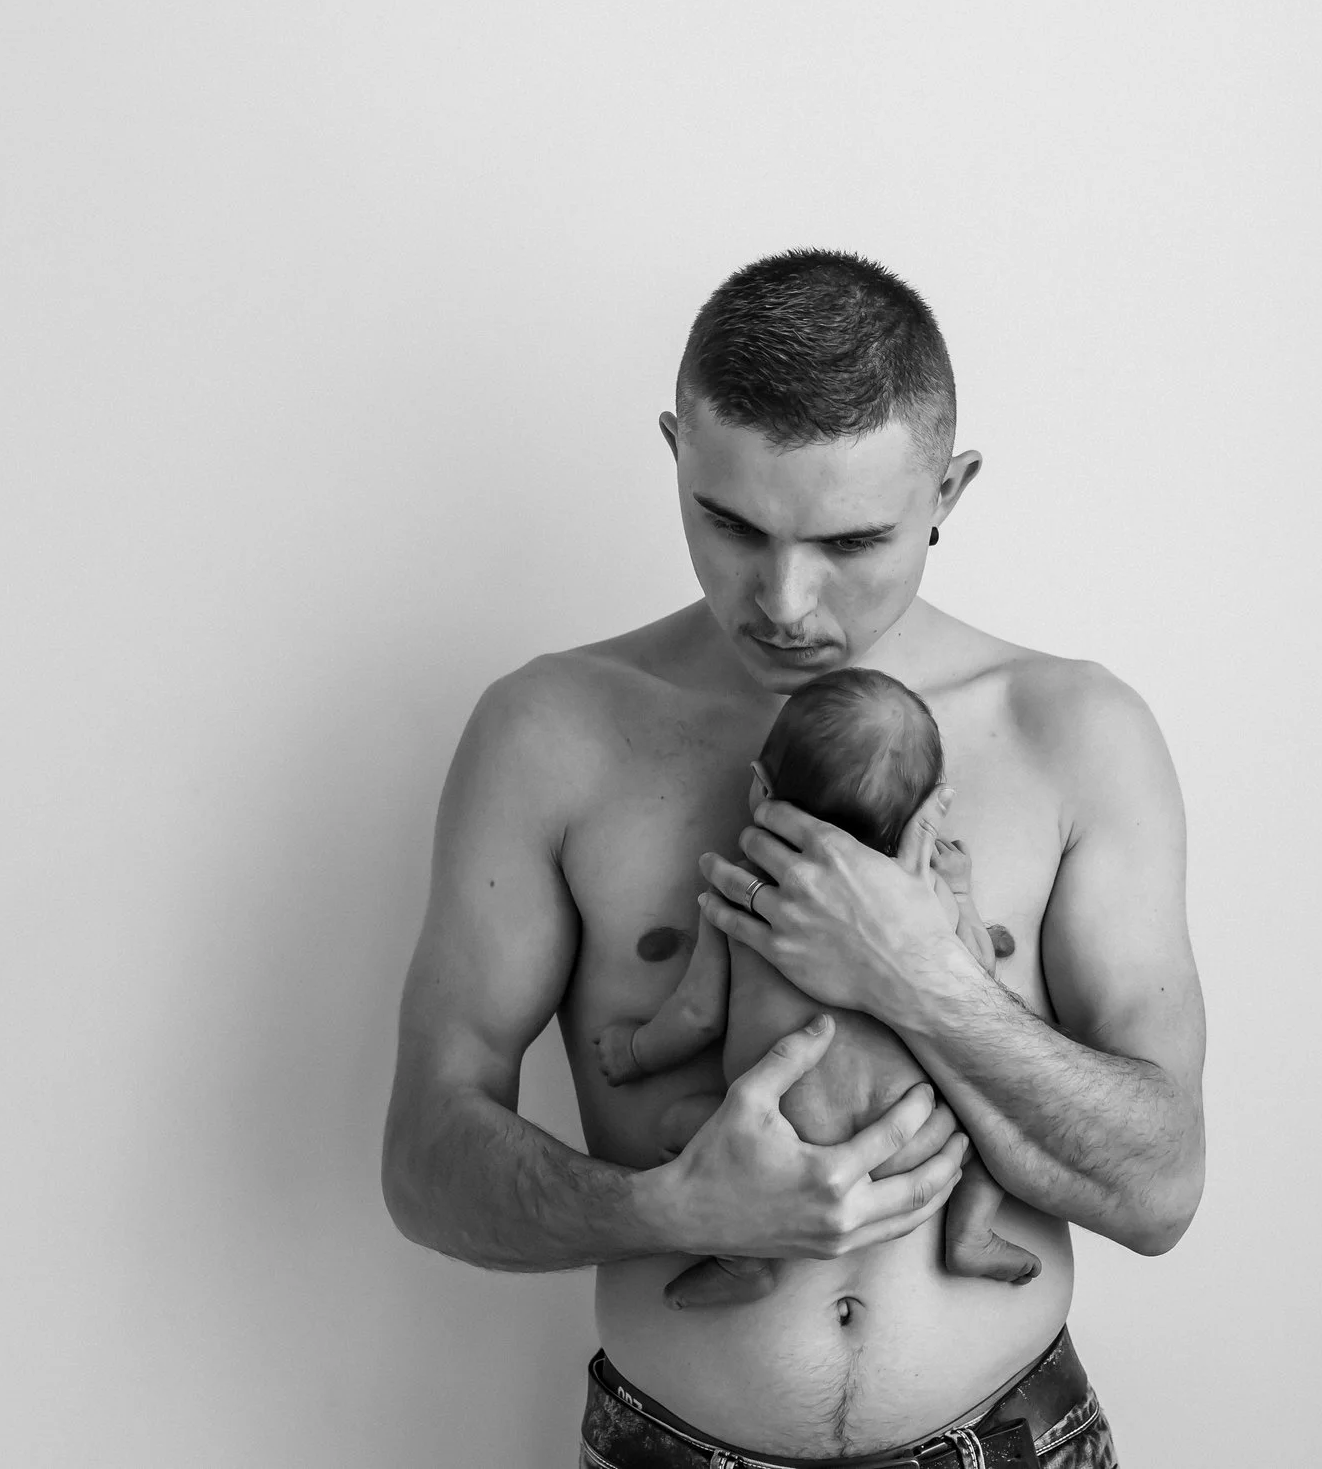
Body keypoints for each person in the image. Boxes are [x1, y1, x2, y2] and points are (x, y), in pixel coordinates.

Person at [381, 249, 1206, 1468]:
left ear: (950, 490)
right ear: (676, 453)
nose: (783, 598)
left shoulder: (1073, 734)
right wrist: (670, 1207)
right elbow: (424, 1160)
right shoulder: (549, 735)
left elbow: (1161, 1189)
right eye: (729, 523)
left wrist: (925, 980)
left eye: (851, 538)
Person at [598, 665, 1044, 1309]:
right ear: (927, 808)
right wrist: (964, 896)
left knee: (678, 1126)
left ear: (760, 787)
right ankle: (969, 1233)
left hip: (778, 1148)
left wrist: (636, 1051)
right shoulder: (928, 900)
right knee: (989, 1128)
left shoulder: (744, 897)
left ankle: (741, 1258)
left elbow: (696, 1015)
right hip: (917, 1140)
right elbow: (976, 978)